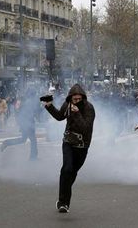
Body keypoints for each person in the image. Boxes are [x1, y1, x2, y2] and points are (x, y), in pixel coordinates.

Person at [43, 84, 95, 213]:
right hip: (68, 142)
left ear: (83, 98)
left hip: (82, 145)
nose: (76, 101)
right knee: (66, 169)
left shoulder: (89, 108)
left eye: (78, 99)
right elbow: (60, 116)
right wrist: (49, 106)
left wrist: (77, 113)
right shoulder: (67, 105)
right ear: (70, 97)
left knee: (72, 173)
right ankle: (63, 203)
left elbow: (86, 128)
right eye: (74, 99)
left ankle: (64, 194)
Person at [0, 90, 39, 160]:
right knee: (32, 140)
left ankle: (6, 143)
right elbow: (33, 112)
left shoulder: (24, 100)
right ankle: (33, 157)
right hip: (28, 124)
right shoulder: (29, 102)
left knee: (23, 140)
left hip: (25, 124)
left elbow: (18, 111)